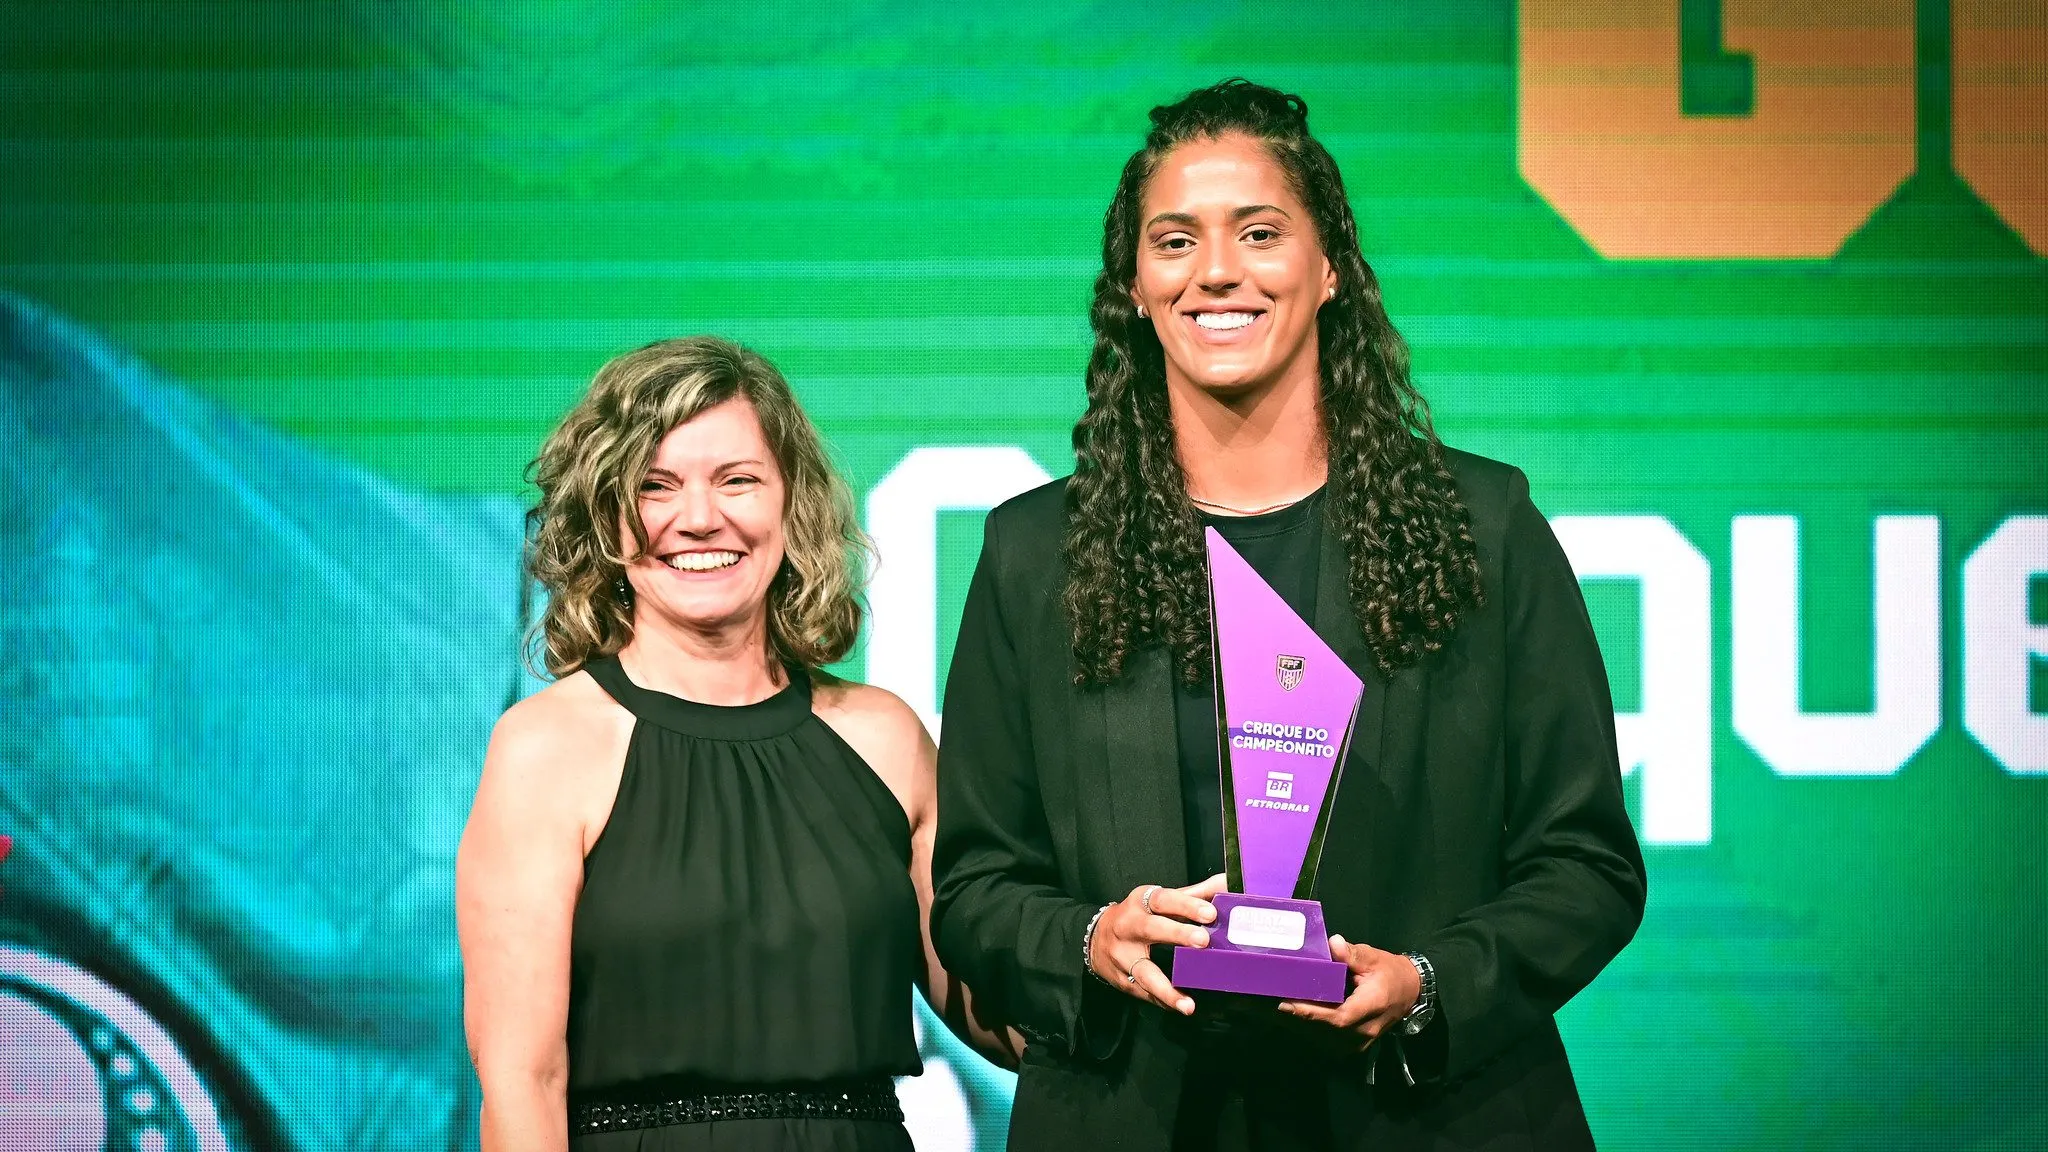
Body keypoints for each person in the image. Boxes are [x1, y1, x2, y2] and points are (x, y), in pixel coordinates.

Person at [930, 80, 1647, 1150]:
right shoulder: (1037, 553)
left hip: (1424, 1115)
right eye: (1173, 241)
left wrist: (1424, 983)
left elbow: (1583, 864)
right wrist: (1090, 939)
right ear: (1132, 284)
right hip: (1135, 1115)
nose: (1216, 270)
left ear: (1327, 271)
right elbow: (976, 887)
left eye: (1258, 233)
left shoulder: (1477, 528)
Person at [458, 337, 1015, 1151]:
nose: (698, 518)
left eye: (737, 480)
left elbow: (993, 1011)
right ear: (607, 521)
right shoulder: (545, 748)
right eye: (654, 487)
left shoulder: (885, 738)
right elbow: (521, 1083)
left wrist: (1153, 965)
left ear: (792, 505)